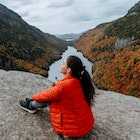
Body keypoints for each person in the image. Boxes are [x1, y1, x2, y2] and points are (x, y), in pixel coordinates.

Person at [20, 55, 96, 138]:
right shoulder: (79, 80)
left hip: (72, 130)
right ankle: (32, 104)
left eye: (63, 63)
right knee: (55, 98)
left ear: (68, 70)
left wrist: (33, 98)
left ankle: (30, 105)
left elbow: (45, 95)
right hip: (85, 125)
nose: (60, 64)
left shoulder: (63, 87)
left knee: (50, 99)